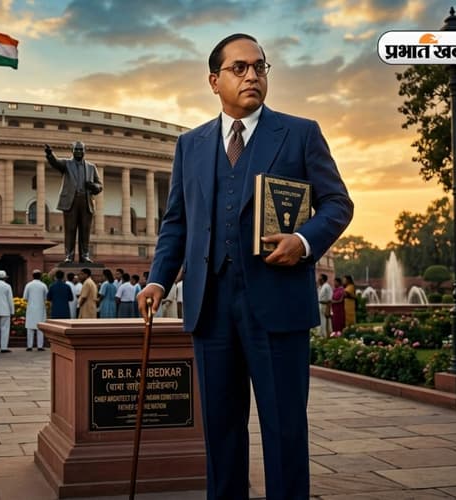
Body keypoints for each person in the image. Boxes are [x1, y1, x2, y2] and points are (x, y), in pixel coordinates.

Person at [137, 33, 353, 500]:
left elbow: (338, 204)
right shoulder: (190, 145)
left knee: (284, 428)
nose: (252, 75)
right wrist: (158, 280)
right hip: (210, 306)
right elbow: (177, 223)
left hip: (277, 303)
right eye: (239, 68)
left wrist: (303, 241)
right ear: (214, 81)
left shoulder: (299, 133)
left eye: (259, 66)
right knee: (220, 431)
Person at [44, 141, 103, 263]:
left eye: (81, 149)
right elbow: (55, 162)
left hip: (86, 201)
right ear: (72, 151)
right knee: (70, 229)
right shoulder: (66, 164)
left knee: (85, 230)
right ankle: (69, 256)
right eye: (76, 149)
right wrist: (50, 154)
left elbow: (99, 185)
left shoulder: (91, 167)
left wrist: (93, 186)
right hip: (71, 201)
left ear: (84, 151)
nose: (79, 152)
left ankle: (84, 255)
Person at [23, 269, 48, 351]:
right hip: (40, 308)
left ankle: (29, 346)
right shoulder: (43, 285)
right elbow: (46, 297)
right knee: (40, 328)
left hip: (31, 308)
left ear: (32, 276)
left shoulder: (28, 285)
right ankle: (40, 346)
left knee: (30, 328)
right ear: (40, 276)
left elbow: (25, 298)